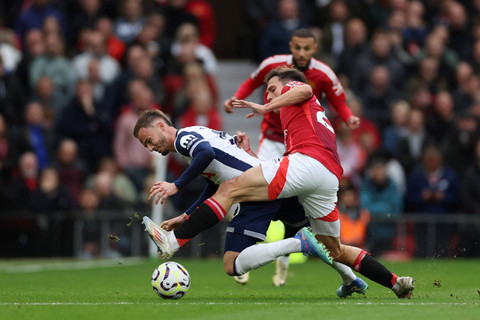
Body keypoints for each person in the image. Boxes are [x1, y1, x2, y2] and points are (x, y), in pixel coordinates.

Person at [150, 67, 414, 298]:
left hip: (308, 162)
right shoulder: (297, 120)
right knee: (334, 249)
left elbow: (305, 91)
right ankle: (395, 283)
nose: (269, 95)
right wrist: (251, 154)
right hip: (326, 176)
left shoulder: (294, 88)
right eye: (267, 92)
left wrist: (266, 107)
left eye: (273, 88)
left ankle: (173, 242)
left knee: (229, 189)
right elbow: (277, 169)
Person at [135, 109, 367, 297]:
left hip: (256, 190)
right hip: (273, 182)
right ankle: (351, 278)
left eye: (149, 140)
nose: (150, 148)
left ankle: (298, 245)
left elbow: (205, 153)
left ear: (161, 126)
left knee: (231, 264)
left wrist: (176, 185)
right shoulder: (193, 135)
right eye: (146, 146)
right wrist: (186, 215)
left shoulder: (184, 138)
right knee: (320, 239)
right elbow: (215, 183)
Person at [223, 27, 360, 285]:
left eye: (306, 48)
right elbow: (251, 82)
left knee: (293, 205)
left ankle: (283, 260)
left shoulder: (321, 74)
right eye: (297, 47)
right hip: (272, 141)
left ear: (314, 49)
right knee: (249, 186)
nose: (301, 53)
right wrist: (236, 98)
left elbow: (336, 99)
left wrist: (348, 116)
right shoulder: (273, 66)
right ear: (290, 46)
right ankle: (244, 254)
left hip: (302, 146)